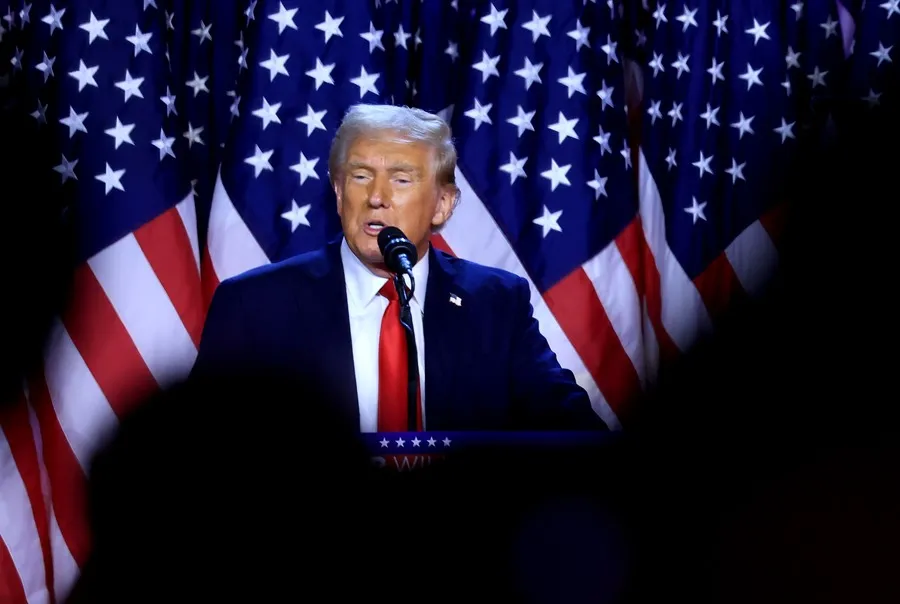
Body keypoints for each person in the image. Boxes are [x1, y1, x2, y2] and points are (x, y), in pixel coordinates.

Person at [193, 103, 606, 432]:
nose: (377, 197)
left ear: (443, 204)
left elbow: (574, 434)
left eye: (402, 179)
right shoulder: (256, 305)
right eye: (359, 176)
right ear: (338, 193)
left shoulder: (495, 304)